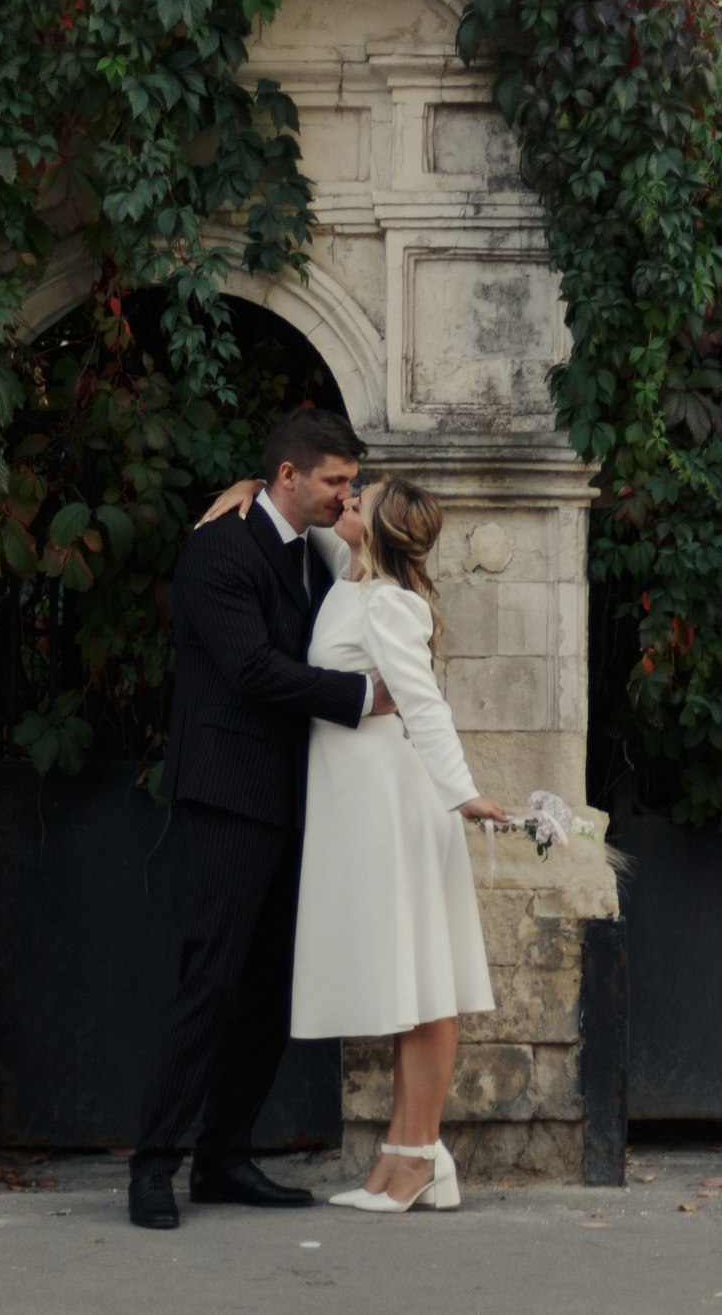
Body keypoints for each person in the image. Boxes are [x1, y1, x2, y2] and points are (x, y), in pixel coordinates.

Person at [196, 473, 508, 1215]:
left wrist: (463, 792)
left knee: (427, 983)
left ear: (380, 527)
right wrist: (243, 490)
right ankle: (412, 1155)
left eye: (358, 496)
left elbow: (424, 703)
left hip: (397, 803)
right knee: (410, 981)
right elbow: (310, 526)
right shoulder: (353, 578)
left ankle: (415, 1157)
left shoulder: (392, 605)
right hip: (363, 804)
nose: (346, 497)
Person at [125, 407, 397, 1231]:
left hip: (294, 795)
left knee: (269, 989)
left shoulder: (314, 544)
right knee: (210, 981)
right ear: (288, 476)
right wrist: (361, 697)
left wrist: (334, 518)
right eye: (334, 481)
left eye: (352, 483)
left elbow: (363, 557)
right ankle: (152, 1165)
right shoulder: (218, 549)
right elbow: (248, 668)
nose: (348, 496)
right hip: (229, 792)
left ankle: (222, 1158)